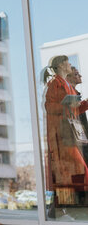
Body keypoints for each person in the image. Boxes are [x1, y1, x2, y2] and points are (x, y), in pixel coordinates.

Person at [43, 57, 88, 212]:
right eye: (68, 63)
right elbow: (49, 107)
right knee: (77, 170)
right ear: (61, 65)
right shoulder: (54, 83)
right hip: (60, 135)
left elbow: (74, 110)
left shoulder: (66, 85)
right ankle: (61, 207)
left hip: (68, 134)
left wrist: (83, 104)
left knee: (73, 172)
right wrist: (66, 105)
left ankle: (61, 207)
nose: (70, 65)